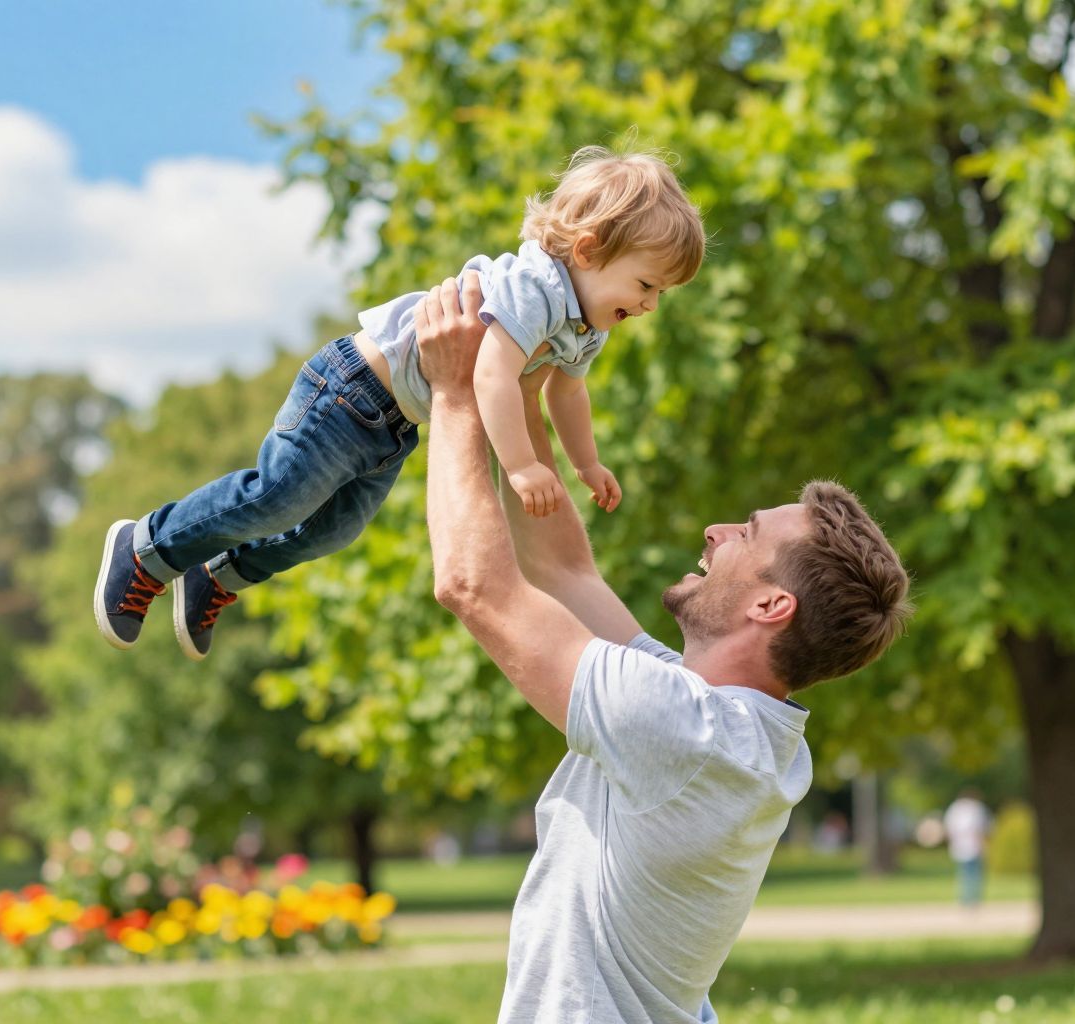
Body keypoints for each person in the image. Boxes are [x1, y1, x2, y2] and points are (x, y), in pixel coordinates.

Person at [412, 273, 913, 1023]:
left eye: (744, 535)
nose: (716, 531)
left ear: (772, 605)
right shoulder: (725, 724)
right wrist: (514, 386)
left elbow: (472, 586)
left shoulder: (685, 732)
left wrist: (454, 397)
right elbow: (562, 569)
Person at [94, 146, 706, 660]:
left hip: (396, 424)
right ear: (589, 250)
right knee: (278, 496)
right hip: (350, 390)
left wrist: (585, 463)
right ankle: (147, 548)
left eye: (662, 294)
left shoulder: (585, 325)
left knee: (334, 530)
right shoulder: (536, 288)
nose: (650, 305)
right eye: (646, 284)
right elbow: (491, 377)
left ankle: (216, 574)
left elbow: (567, 391)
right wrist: (520, 467)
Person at [943, 789, 992, 908]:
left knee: (966, 874)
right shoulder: (975, 808)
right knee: (972, 874)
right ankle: (972, 899)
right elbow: (982, 828)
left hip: (963, 846)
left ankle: (968, 899)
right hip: (970, 846)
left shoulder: (956, 809)